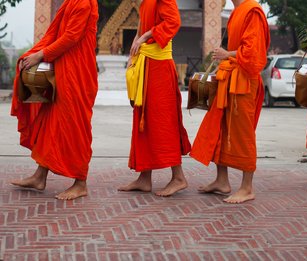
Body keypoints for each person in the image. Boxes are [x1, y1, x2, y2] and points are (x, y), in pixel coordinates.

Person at [10, 0, 99, 200]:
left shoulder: (84, 3)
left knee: (75, 126)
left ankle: (80, 182)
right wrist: (35, 54)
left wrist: (40, 55)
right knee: (50, 124)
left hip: (77, 74)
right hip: (62, 71)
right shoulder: (70, 2)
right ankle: (40, 176)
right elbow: (55, 33)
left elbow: (70, 37)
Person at [190, 0, 270, 204]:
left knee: (243, 132)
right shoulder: (236, 12)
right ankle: (222, 180)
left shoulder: (253, 11)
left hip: (243, 82)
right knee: (221, 128)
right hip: (229, 79)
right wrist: (227, 57)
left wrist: (227, 54)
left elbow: (254, 52)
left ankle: (247, 187)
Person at [118, 0, 191, 196]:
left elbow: (173, 22)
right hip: (146, 64)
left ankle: (178, 177)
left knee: (163, 122)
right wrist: (135, 48)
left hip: (159, 68)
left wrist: (144, 37)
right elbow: (142, 28)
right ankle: (144, 177)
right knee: (144, 121)